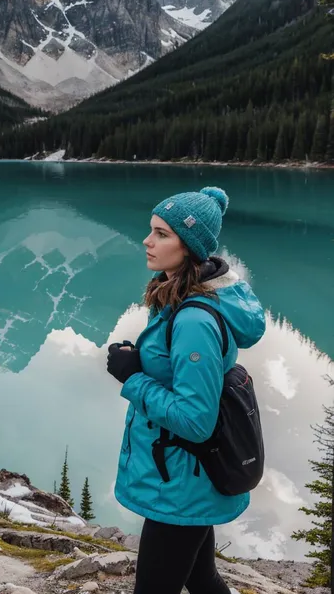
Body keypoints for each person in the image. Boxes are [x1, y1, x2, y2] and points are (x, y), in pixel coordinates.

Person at [107, 186, 266, 594]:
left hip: (179, 480)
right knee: (201, 577)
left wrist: (133, 377)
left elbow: (196, 421)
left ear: (189, 246)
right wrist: (143, 362)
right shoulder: (179, 296)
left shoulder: (194, 319)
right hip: (186, 477)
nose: (147, 240)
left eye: (162, 233)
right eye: (151, 230)